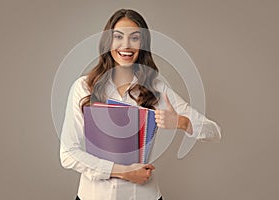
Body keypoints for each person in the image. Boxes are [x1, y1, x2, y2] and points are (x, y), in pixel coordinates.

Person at [60, 9, 221, 200]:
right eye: (118, 37)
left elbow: (214, 132)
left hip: (142, 195)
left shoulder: (157, 89)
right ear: (107, 42)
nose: (126, 45)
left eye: (135, 38)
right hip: (93, 196)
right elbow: (68, 154)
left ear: (143, 44)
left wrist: (181, 122)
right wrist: (122, 172)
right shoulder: (84, 88)